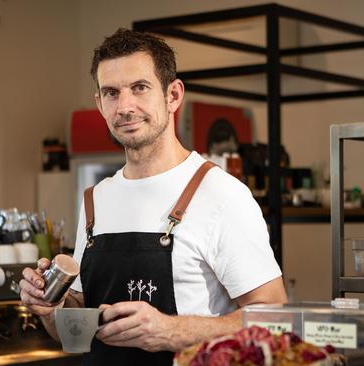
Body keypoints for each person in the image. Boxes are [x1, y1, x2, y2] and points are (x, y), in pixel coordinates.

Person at [20, 28, 286, 366]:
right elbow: (73, 332)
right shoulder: (96, 199)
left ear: (173, 95)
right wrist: (51, 306)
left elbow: (274, 317)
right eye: (112, 93)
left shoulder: (221, 194)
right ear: (100, 104)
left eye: (140, 88)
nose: (125, 106)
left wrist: (170, 331)